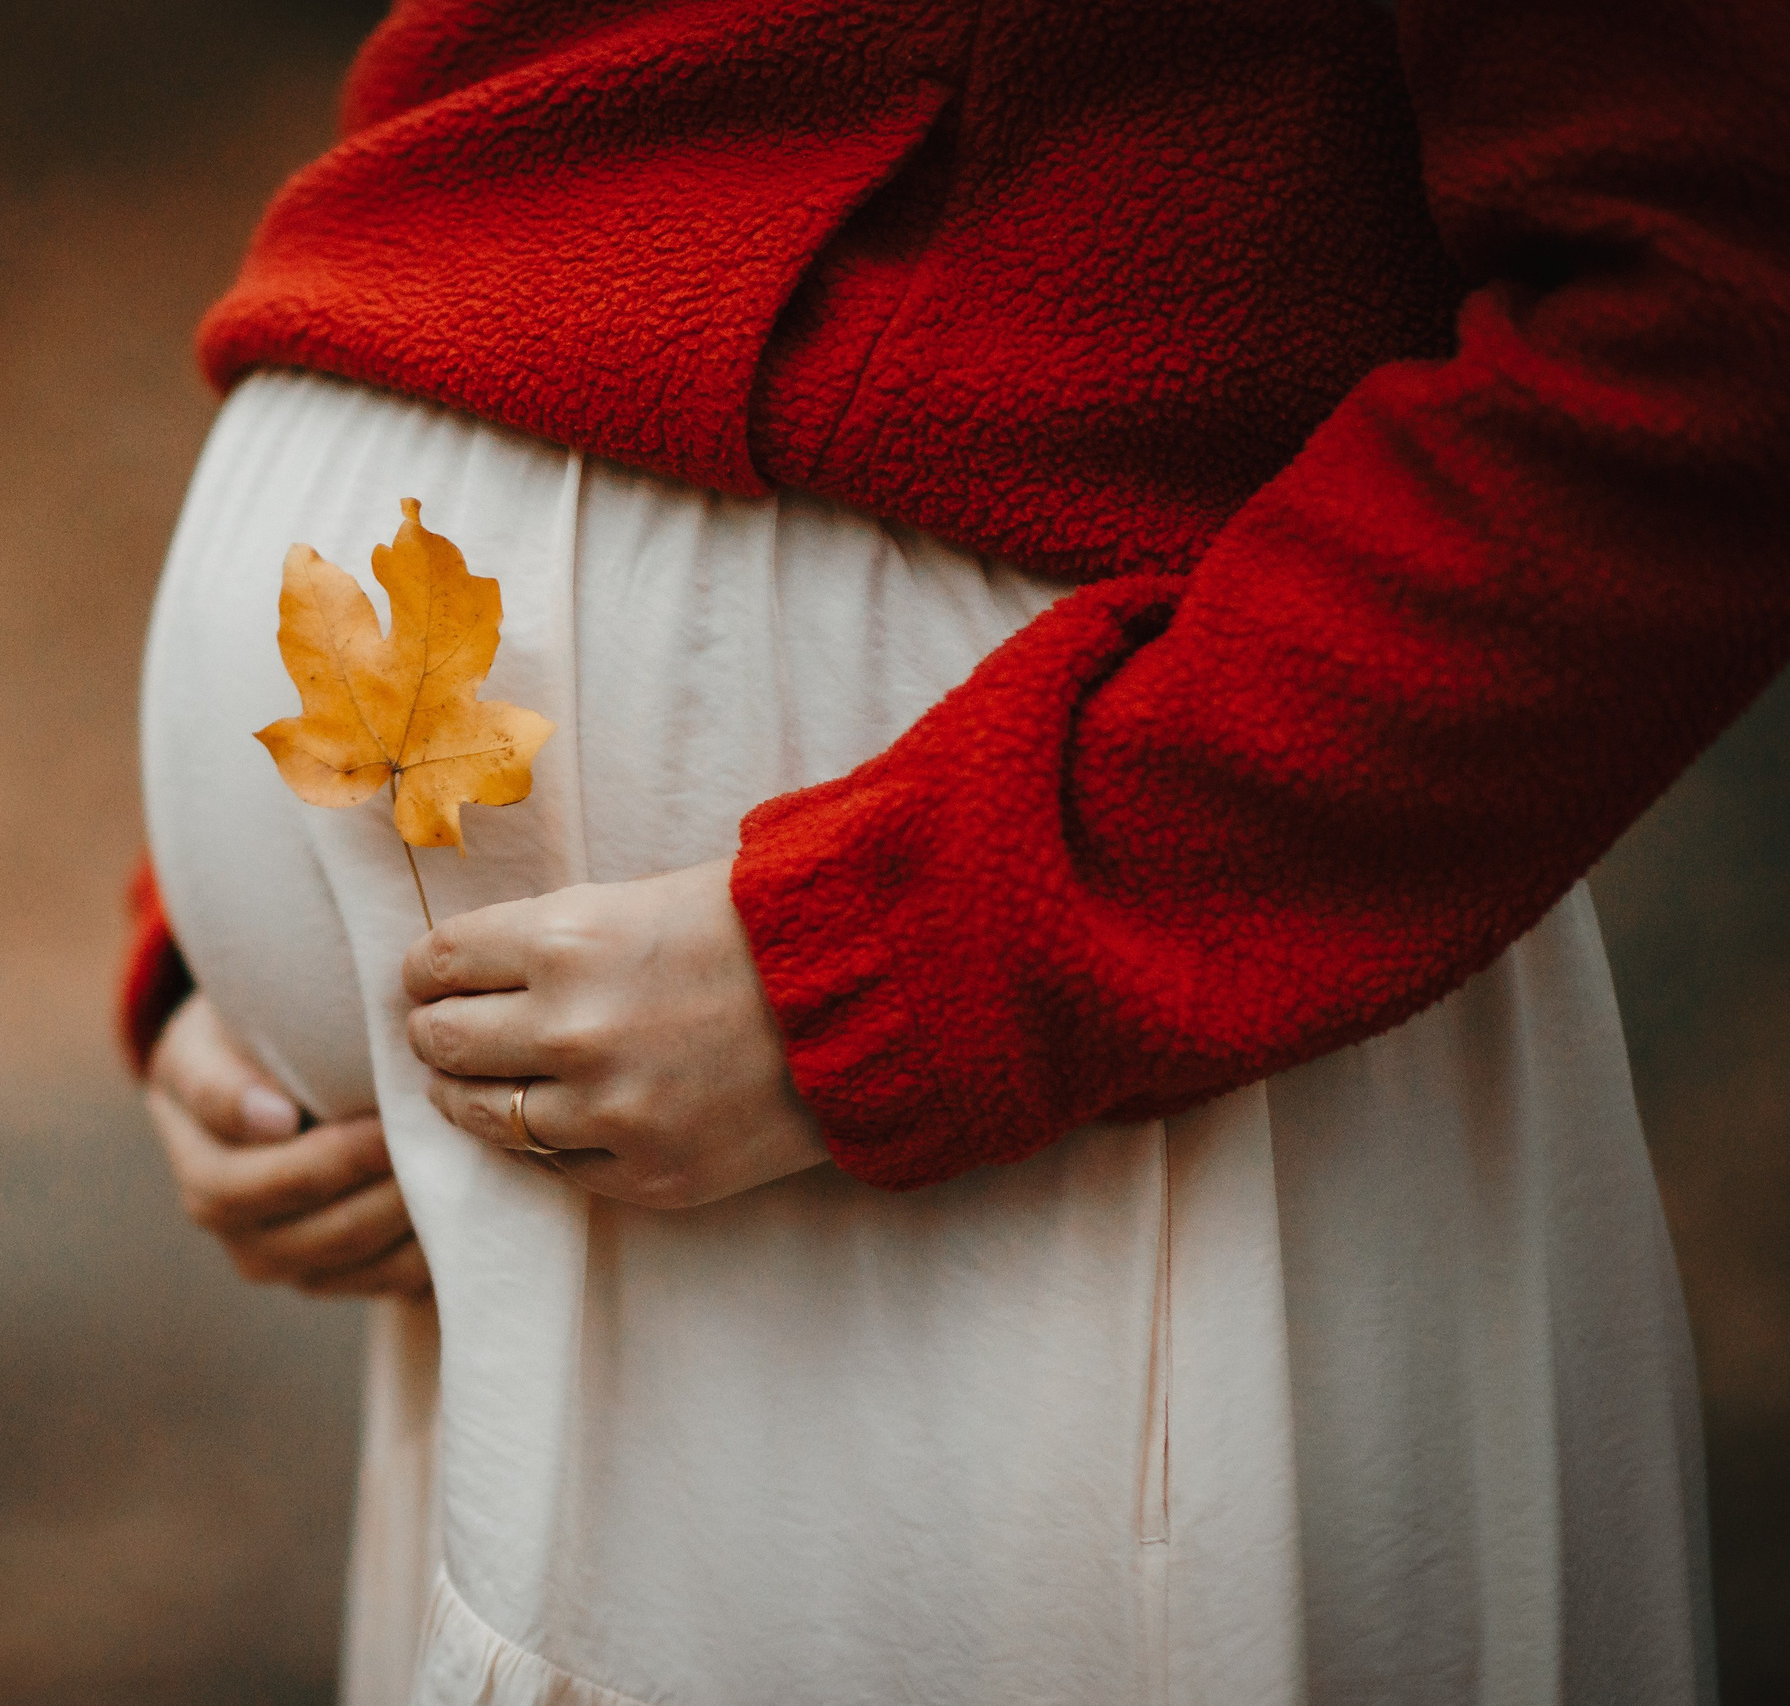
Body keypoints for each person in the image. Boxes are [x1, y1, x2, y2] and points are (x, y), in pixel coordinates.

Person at [127, 2, 1788, 1701]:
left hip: (1022, 1101)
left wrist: (911, 953)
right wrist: (238, 949)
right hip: (540, 1206)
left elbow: (1720, 335)